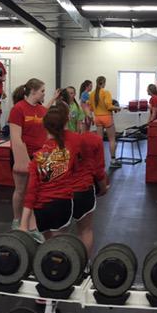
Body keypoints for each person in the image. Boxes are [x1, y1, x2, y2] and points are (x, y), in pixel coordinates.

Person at [21, 103, 83, 239]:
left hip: (42, 209)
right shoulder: (72, 145)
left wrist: (23, 224)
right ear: (64, 124)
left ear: (44, 127)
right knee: (58, 243)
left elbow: (31, 191)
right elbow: (77, 169)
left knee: (48, 244)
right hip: (62, 204)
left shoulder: (38, 157)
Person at [8, 79, 49, 239]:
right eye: (42, 91)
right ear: (32, 91)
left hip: (39, 157)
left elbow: (46, 136)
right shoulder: (18, 109)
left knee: (34, 192)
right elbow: (16, 138)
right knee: (21, 190)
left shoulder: (43, 110)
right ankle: (17, 221)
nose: (44, 94)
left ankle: (31, 226)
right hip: (22, 155)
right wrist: (23, 161)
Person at [67, 109, 108, 255]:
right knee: (85, 230)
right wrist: (103, 188)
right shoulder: (95, 140)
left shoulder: (59, 141)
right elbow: (99, 169)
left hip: (62, 191)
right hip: (83, 189)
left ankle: (60, 263)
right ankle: (84, 264)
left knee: (58, 233)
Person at [90, 76, 119, 163]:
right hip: (107, 118)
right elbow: (109, 106)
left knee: (99, 140)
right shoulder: (106, 92)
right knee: (112, 140)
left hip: (97, 118)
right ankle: (113, 160)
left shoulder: (92, 94)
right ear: (104, 83)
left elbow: (91, 108)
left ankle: (98, 160)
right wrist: (118, 108)